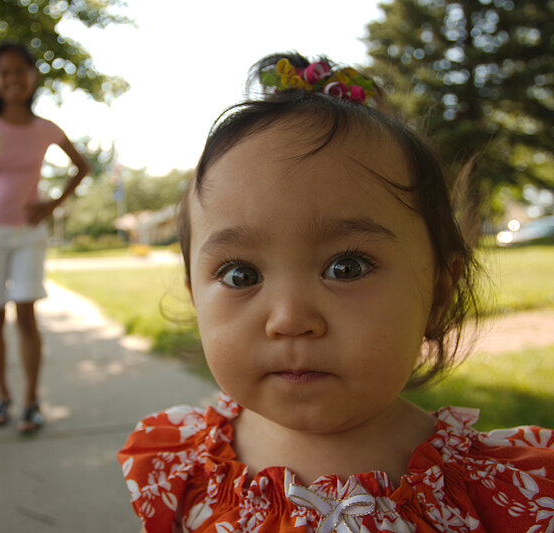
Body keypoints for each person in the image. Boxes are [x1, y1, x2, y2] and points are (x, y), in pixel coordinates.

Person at [117, 52, 554, 532]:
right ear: (194, 295)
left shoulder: (502, 492)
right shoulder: (185, 470)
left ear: (438, 292)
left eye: (346, 267)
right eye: (241, 275)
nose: (288, 318)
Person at [0, 41, 90, 433]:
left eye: (20, 71)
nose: (12, 78)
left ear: (33, 76)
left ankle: (31, 402)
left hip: (28, 235)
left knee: (27, 315)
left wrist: (52, 204)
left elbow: (81, 166)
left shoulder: (46, 129)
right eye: (3, 72)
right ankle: (2, 397)